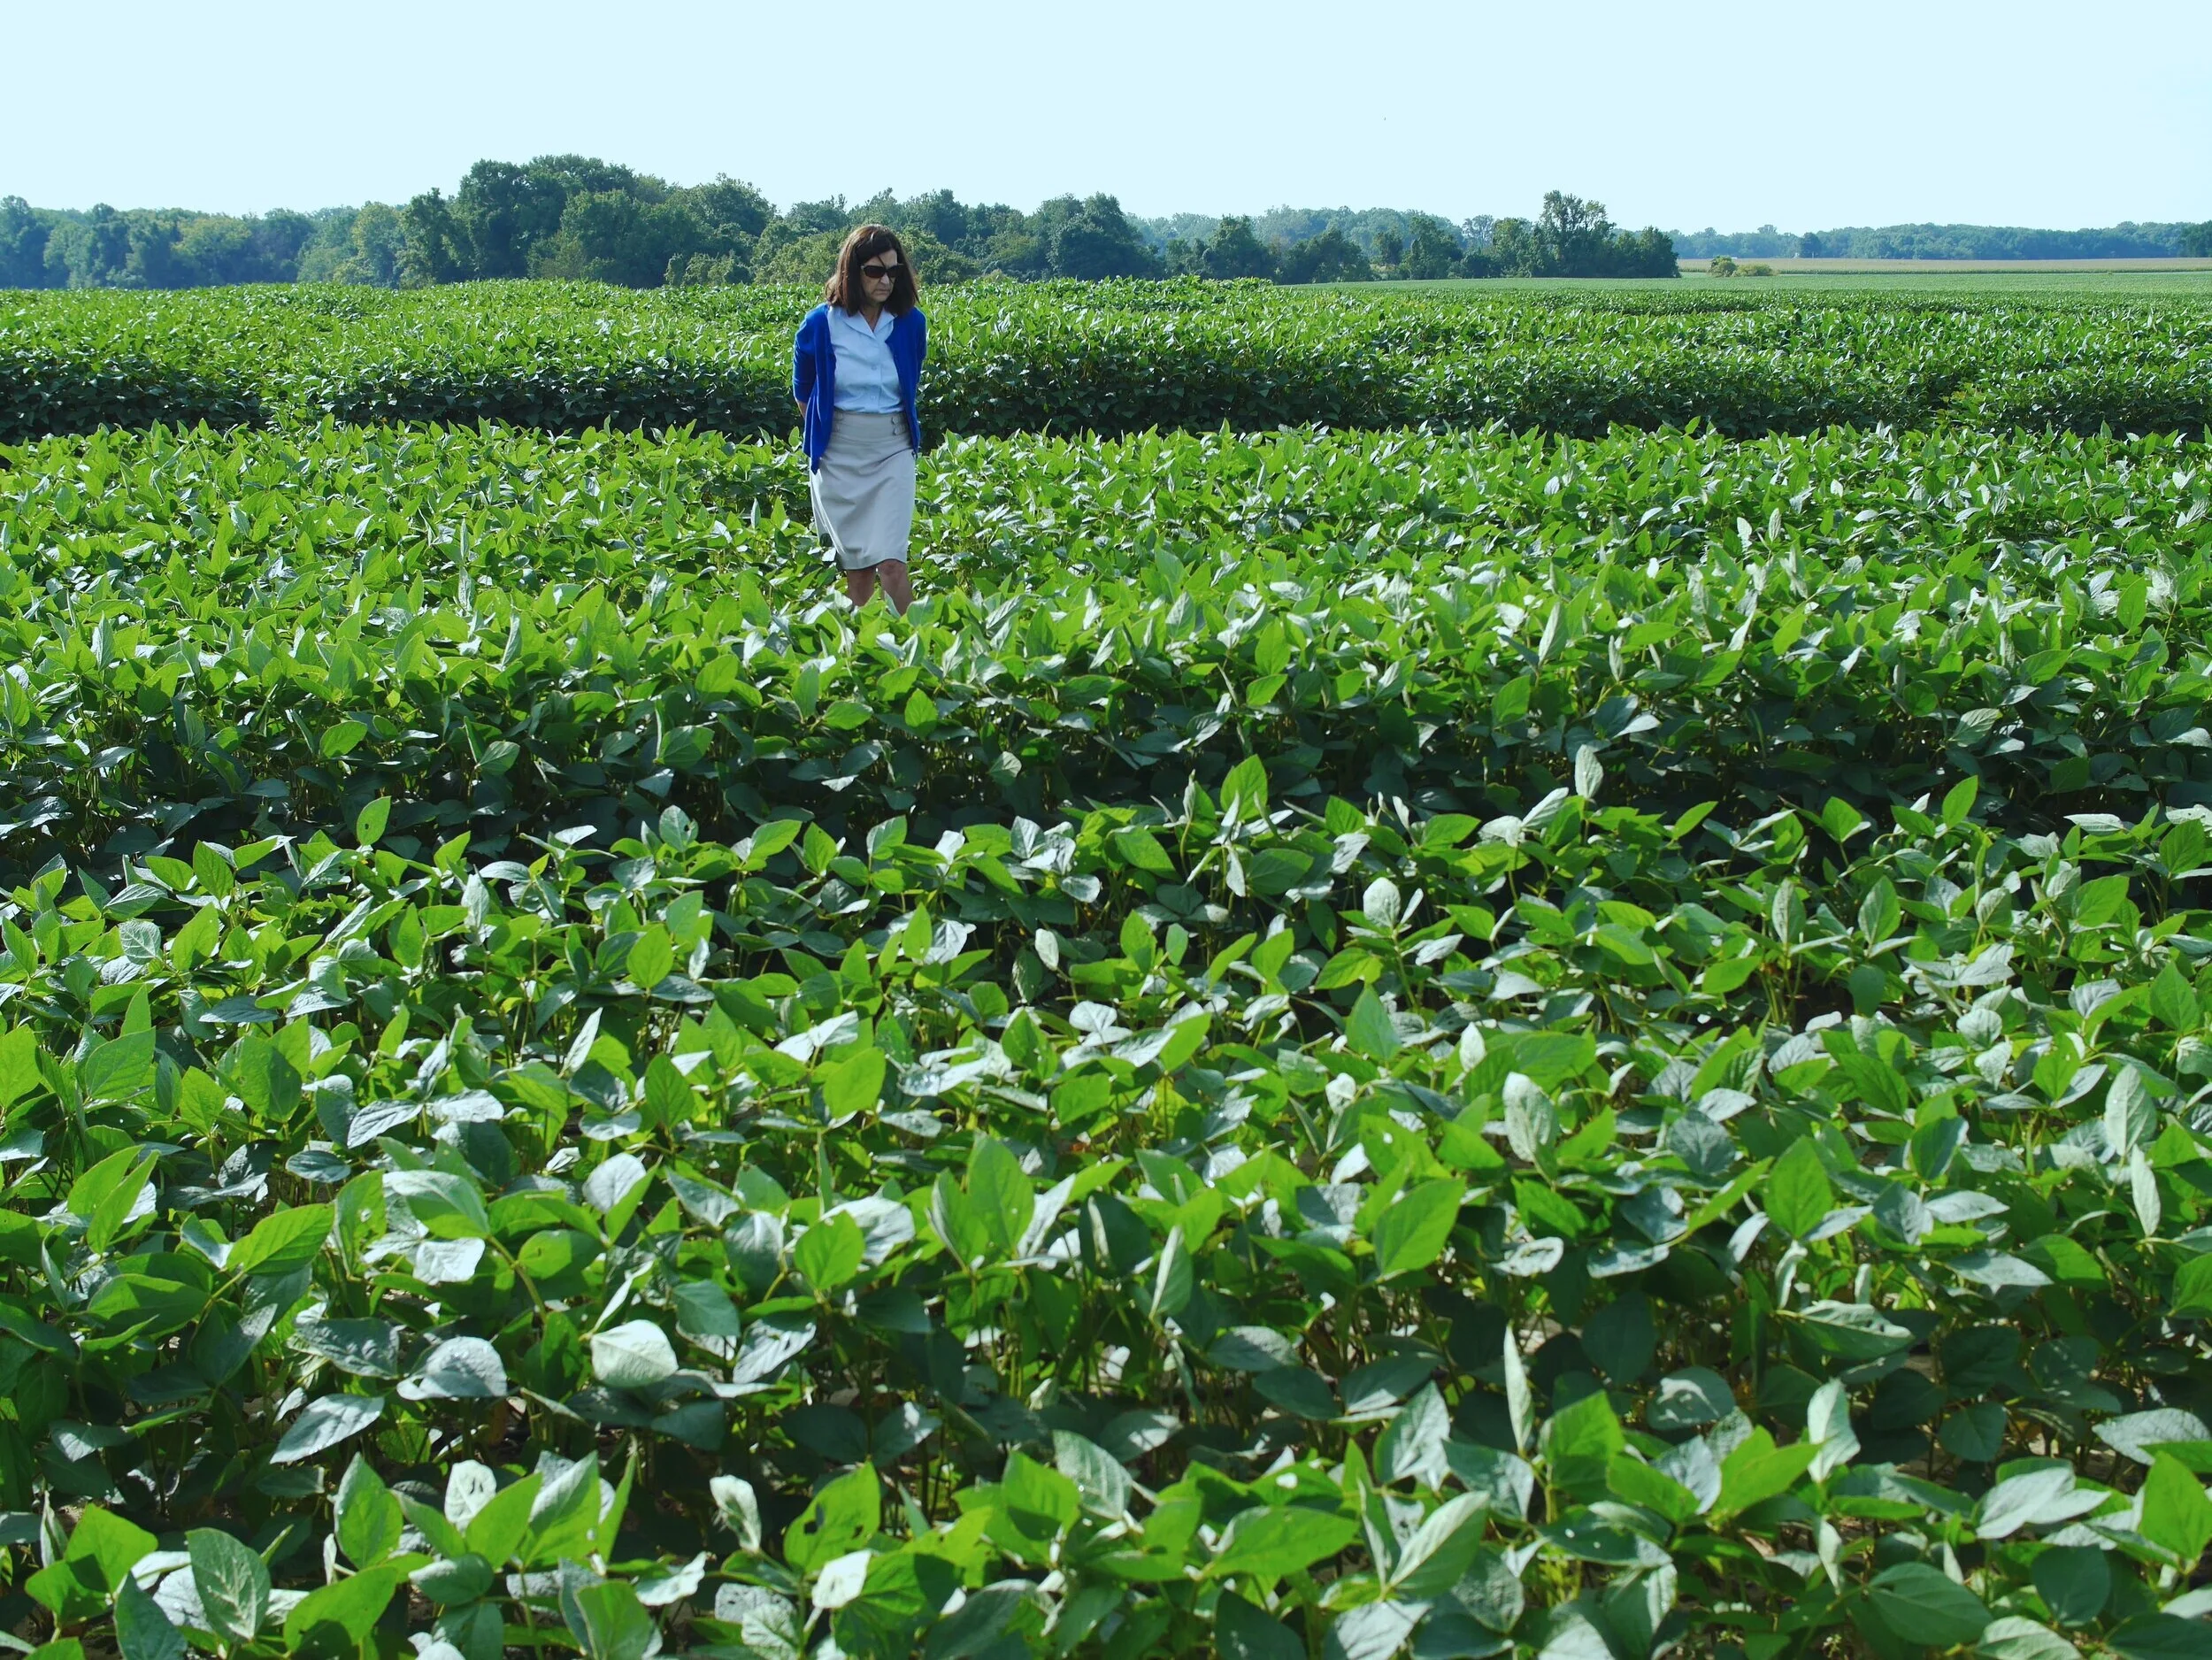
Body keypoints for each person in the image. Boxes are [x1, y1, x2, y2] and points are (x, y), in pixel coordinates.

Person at [792, 226, 928, 614]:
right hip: (839, 456)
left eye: (893, 270)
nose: (885, 280)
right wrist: (823, 433)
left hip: (892, 449)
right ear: (852, 271)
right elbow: (803, 389)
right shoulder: (821, 324)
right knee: (860, 574)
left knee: (891, 565)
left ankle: (919, 651)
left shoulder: (910, 323)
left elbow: (910, 381)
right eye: (874, 271)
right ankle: (858, 658)